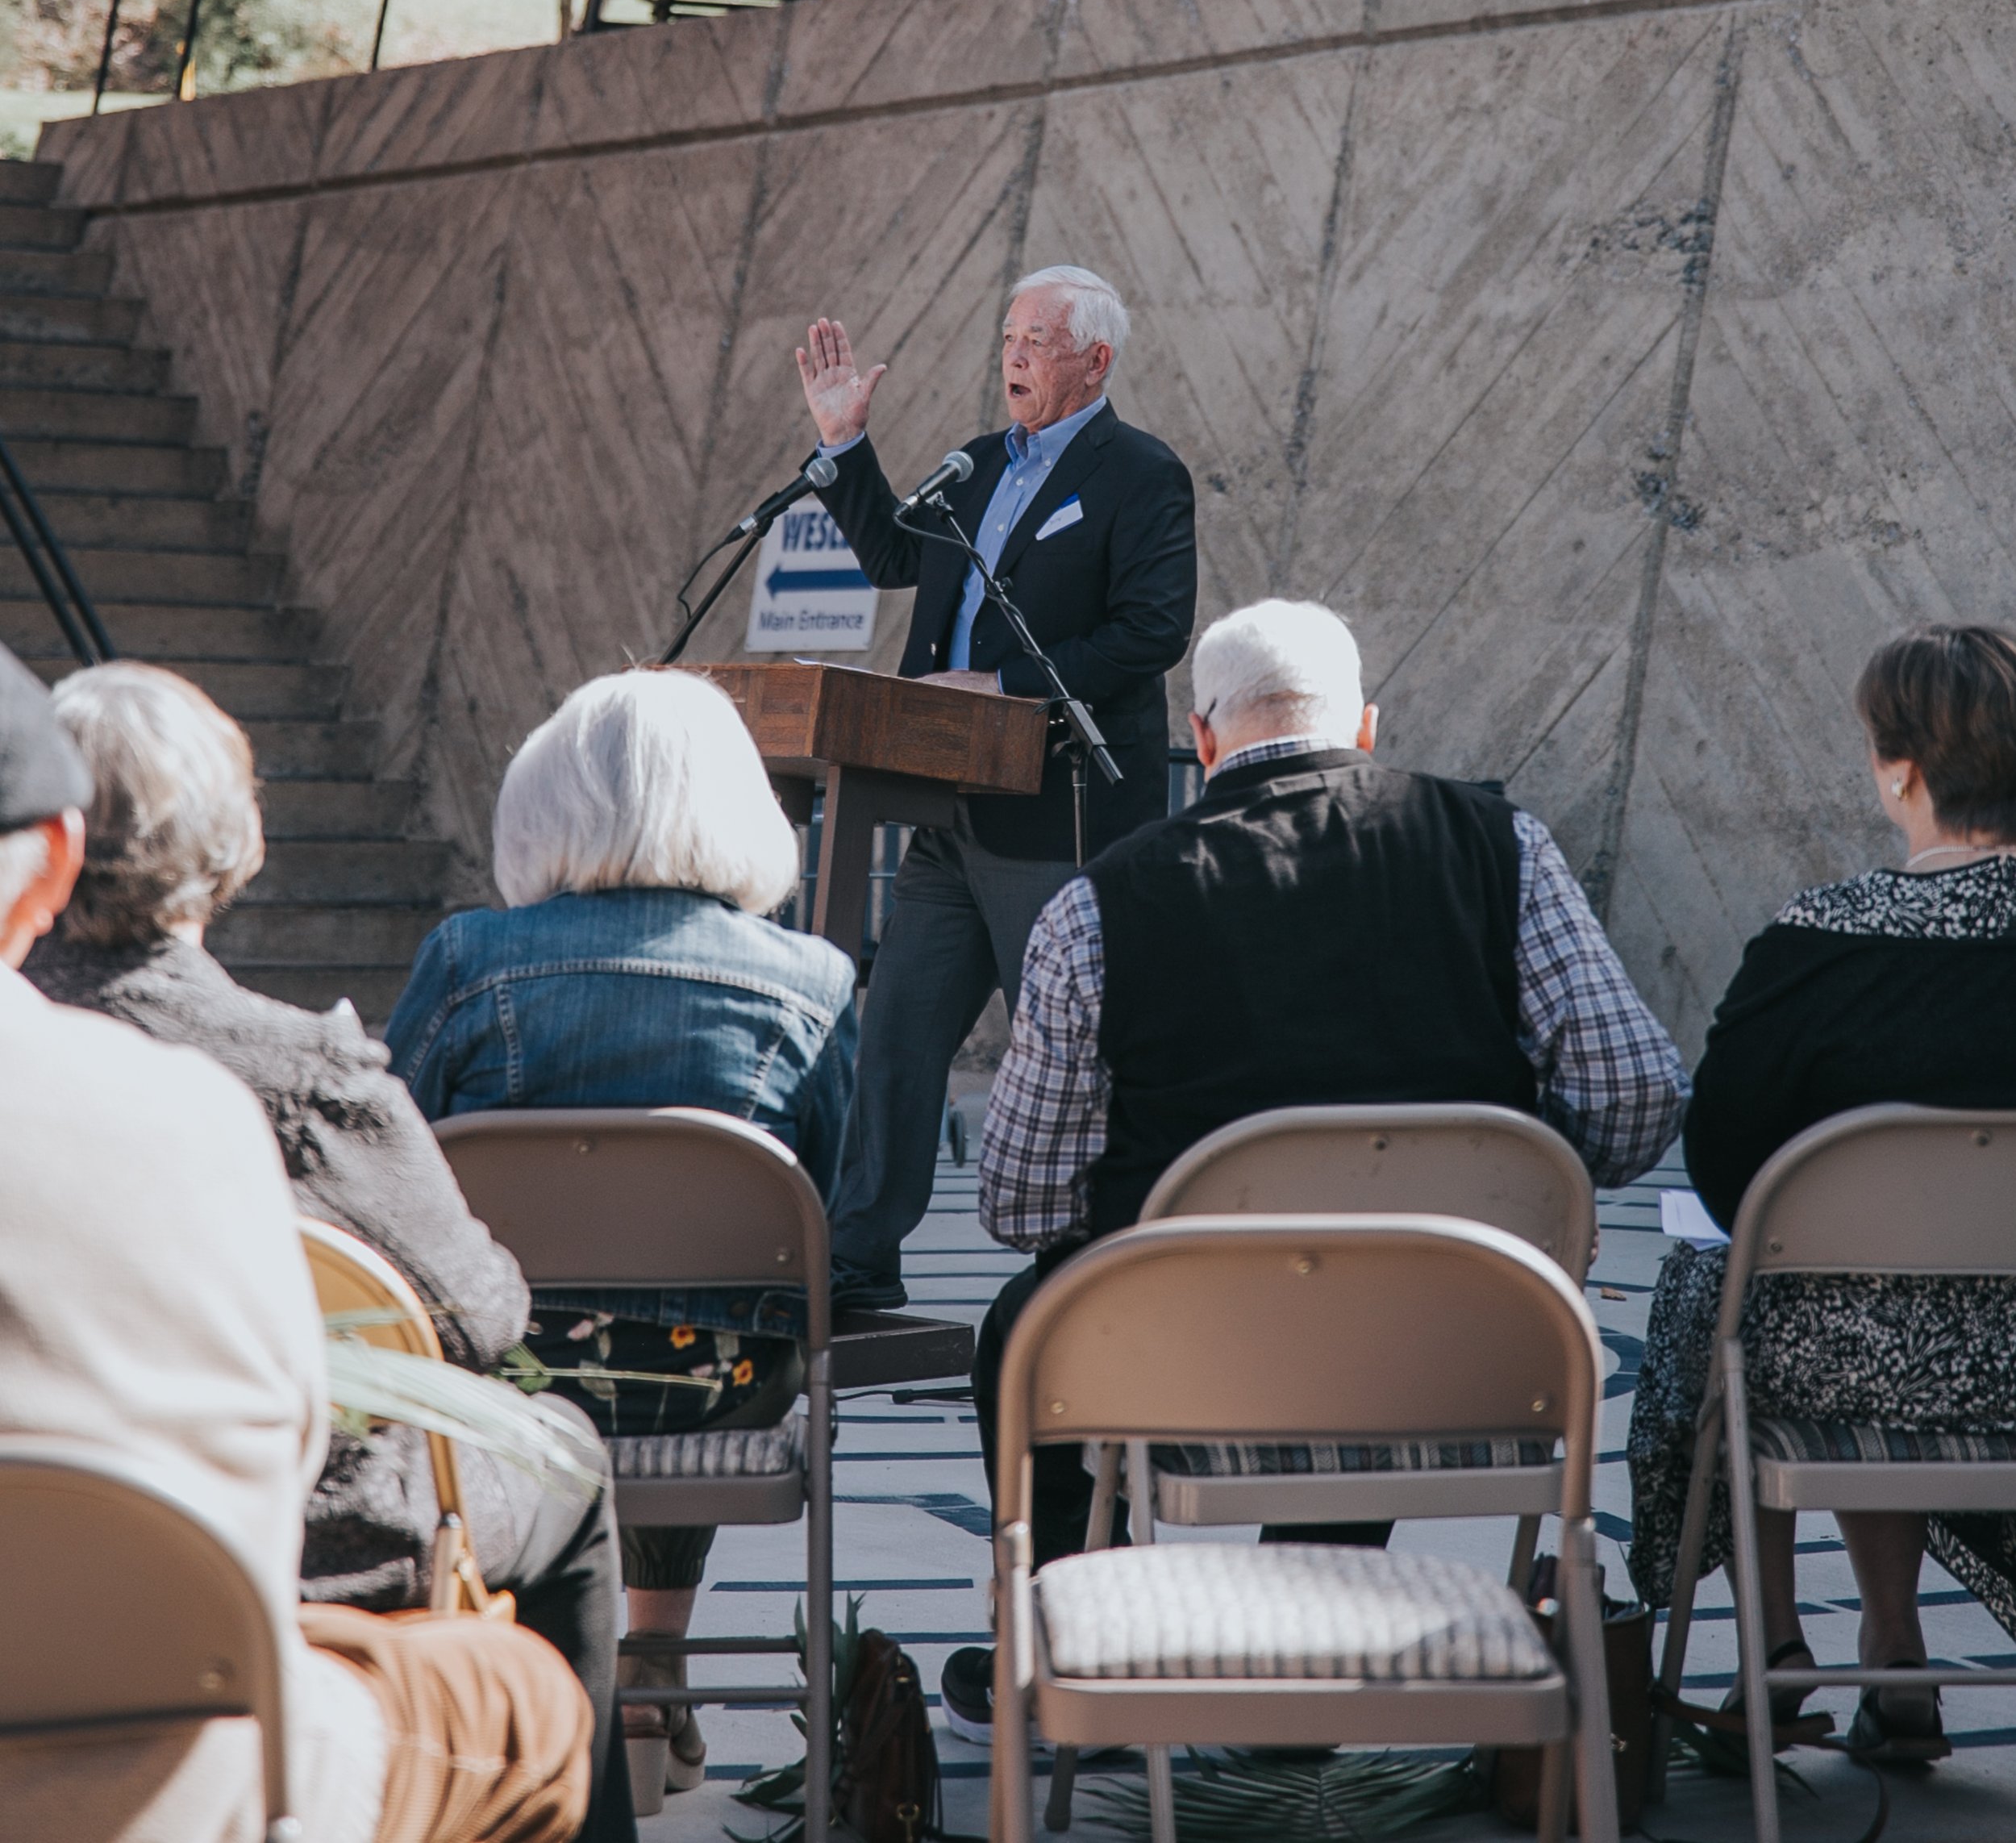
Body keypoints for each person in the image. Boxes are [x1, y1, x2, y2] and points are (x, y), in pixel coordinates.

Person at [939, 595, 1686, 1740]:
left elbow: (1020, 1200)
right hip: (1463, 1361)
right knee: (1385, 1297)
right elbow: (1635, 1095)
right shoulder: (1505, 850)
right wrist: (1524, 1186)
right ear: (1368, 728)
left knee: (1025, 1325)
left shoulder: (1096, 907)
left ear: (1203, 740)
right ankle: (1306, 1639)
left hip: (1179, 1377)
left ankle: (1055, 1642)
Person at [27, 657, 636, 1843]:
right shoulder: (303, 1075)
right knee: (566, 1455)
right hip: (312, 1551)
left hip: (39, 1579)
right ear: (233, 843)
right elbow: (477, 1317)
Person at [389, 665, 856, 1800]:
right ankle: (648, 1664)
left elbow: (394, 1176)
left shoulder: (467, 958)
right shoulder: (817, 980)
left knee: (576, 1326)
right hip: (724, 1391)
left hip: (508, 1389)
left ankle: (544, 1694)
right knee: (703, 1311)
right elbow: (839, 1208)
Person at [1629, 623, 2016, 1771]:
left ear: (1900, 768)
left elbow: (1722, 1160)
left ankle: (1776, 1649)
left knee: (1742, 1293)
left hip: (1827, 1362)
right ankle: (1896, 1658)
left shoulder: (1815, 945)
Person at [797, 261, 1197, 1309]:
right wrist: (845, 443)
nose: (1013, 356)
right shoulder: (972, 465)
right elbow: (892, 552)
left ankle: (1088, 1259)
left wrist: (1005, 683)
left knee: (1066, 1055)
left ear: (1094, 360)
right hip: (944, 813)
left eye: (1037, 340)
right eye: (1009, 336)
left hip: (1058, 818)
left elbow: (1152, 630)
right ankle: (855, 1259)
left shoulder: (1140, 474)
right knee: (896, 1041)